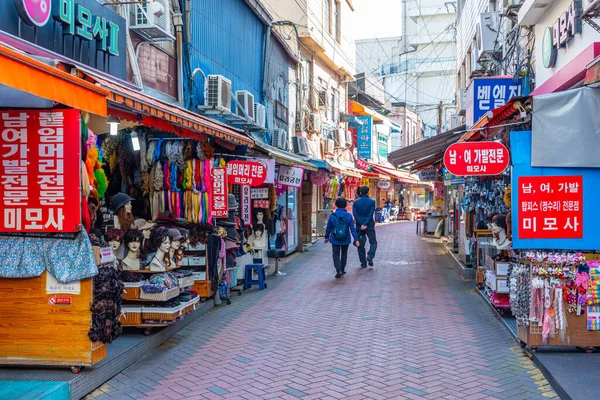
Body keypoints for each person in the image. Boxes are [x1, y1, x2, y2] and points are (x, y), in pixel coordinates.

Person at [324, 198, 360, 279]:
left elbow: (328, 228)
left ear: (336, 205)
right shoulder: (349, 216)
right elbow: (352, 229)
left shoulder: (332, 216)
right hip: (345, 238)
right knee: (344, 254)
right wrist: (356, 239)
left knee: (335, 254)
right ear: (346, 205)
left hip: (335, 238)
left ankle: (338, 270)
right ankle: (342, 269)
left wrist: (326, 237)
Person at [353, 186, 377, 268]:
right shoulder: (372, 202)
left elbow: (355, 214)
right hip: (369, 225)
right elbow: (371, 214)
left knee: (360, 244)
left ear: (360, 192)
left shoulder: (356, 202)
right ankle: (370, 255)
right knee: (373, 242)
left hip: (359, 226)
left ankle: (363, 262)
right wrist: (366, 223)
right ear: (368, 191)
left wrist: (361, 224)